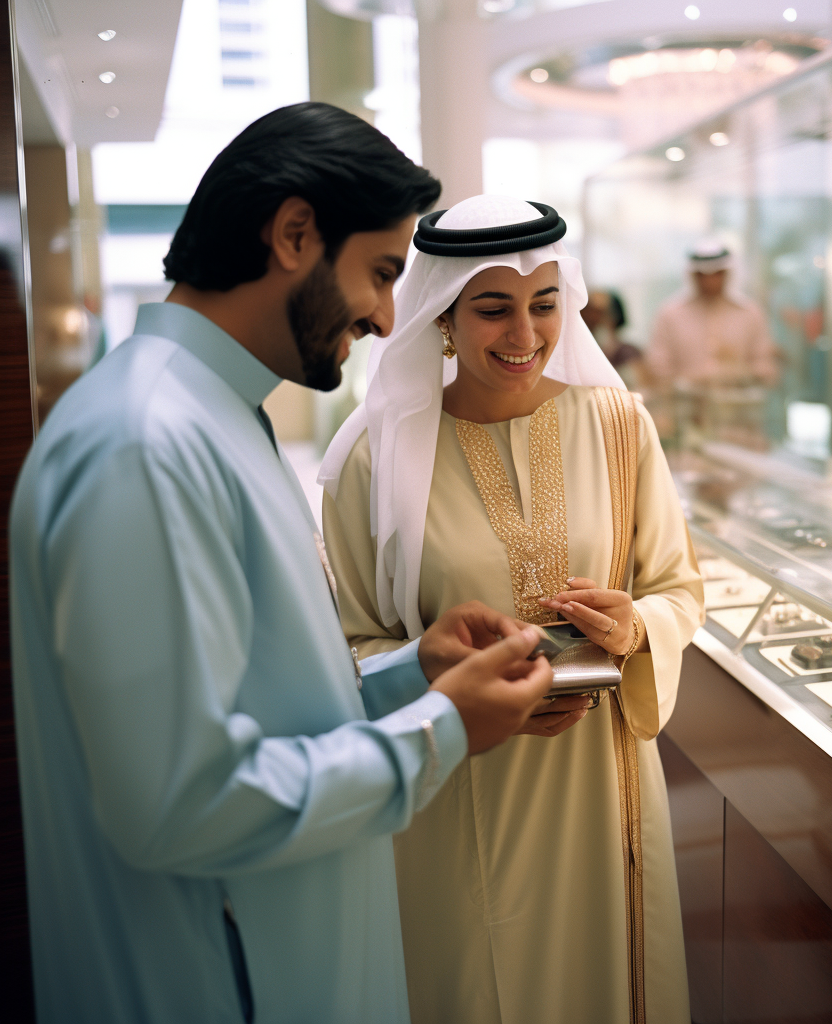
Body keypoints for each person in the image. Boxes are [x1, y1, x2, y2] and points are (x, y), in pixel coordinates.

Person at [9, 104, 554, 1024]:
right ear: (295, 233)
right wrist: (440, 731)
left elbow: (251, 706)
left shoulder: (214, 416)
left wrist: (409, 677)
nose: (389, 318)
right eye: (382, 273)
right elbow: (181, 802)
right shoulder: (145, 445)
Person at [319, 195, 706, 1024]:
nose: (524, 336)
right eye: (493, 308)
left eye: (545, 306)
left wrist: (637, 627)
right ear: (444, 316)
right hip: (457, 780)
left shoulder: (618, 424)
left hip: (601, 784)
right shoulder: (374, 455)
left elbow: (677, 586)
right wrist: (446, 683)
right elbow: (346, 645)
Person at [647, 238, 779, 388]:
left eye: (717, 274)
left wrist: (739, 372)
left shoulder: (750, 313)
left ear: (727, 273)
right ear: (693, 275)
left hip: (738, 407)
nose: (710, 281)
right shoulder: (670, 315)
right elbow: (658, 368)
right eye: (703, 275)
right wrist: (692, 381)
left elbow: (765, 367)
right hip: (686, 406)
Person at [580, 288, 647, 389]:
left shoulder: (628, 352)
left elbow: (641, 387)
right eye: (587, 312)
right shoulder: (580, 355)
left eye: (600, 313)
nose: (593, 319)